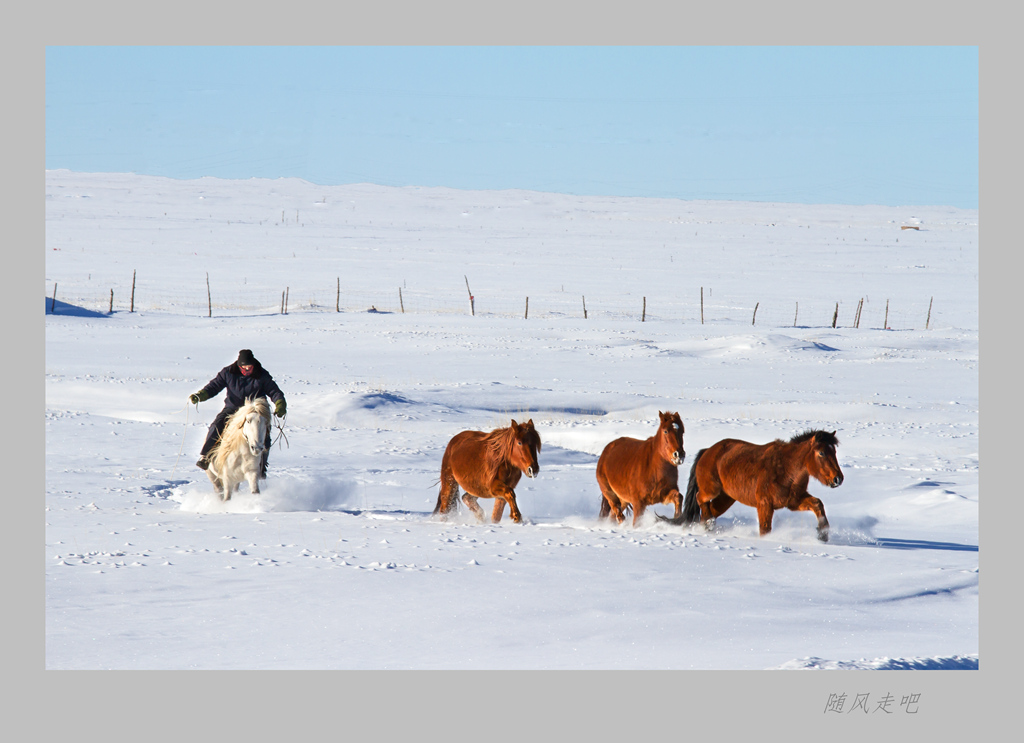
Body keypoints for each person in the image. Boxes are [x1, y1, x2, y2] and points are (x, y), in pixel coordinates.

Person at [189, 349, 286, 477]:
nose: (246, 369)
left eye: (249, 367)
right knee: (216, 425)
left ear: (253, 365)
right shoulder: (228, 372)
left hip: (255, 410)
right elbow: (214, 386)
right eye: (243, 367)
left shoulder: (262, 374)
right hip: (233, 408)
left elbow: (274, 391)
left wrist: (280, 404)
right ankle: (206, 456)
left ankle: (261, 466)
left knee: (263, 433)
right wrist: (200, 395)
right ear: (238, 365)